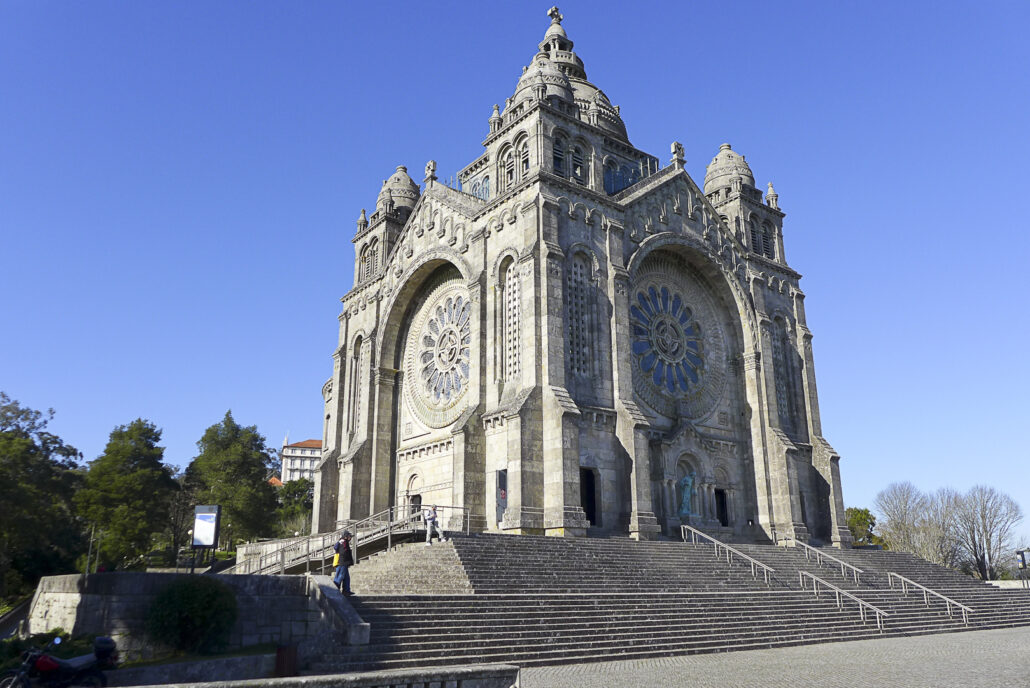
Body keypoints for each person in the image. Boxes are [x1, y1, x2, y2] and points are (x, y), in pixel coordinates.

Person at [333, 531, 354, 596]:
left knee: (346, 578)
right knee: (340, 577)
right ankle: (335, 590)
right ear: (345, 536)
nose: (350, 538)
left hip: (345, 563)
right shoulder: (342, 542)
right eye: (349, 536)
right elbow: (337, 549)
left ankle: (346, 591)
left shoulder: (345, 542)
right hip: (341, 563)